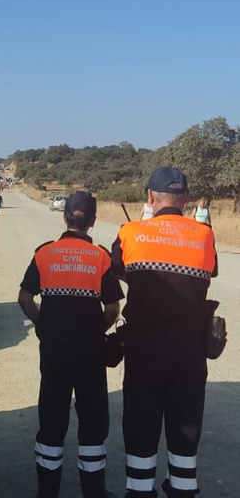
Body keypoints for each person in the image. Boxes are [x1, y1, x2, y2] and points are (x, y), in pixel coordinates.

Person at [111, 167, 217, 497]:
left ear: (150, 196)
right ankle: (183, 489)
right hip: (190, 347)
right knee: (185, 426)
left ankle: (140, 490)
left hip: (144, 345)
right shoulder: (203, 234)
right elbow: (209, 272)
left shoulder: (129, 232)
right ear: (186, 199)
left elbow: (120, 270)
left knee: (141, 423)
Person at [18, 191, 123, 498]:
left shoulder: (44, 254)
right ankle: (93, 491)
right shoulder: (101, 258)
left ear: (64, 216)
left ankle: (47, 492)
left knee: (51, 419)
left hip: (54, 352)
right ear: (92, 221)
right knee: (92, 422)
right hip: (90, 354)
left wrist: (44, 325)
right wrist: (94, 331)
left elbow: (25, 298)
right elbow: (113, 308)